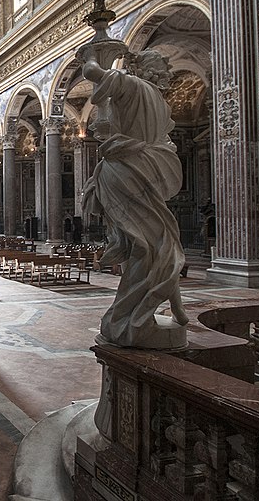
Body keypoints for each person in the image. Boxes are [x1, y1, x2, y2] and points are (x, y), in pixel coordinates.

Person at [81, 47, 188, 348]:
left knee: (153, 245)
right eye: (163, 70)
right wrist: (91, 56)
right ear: (150, 70)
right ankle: (134, 313)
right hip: (134, 169)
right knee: (154, 245)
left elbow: (91, 72)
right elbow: (93, 74)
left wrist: (90, 57)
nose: (166, 75)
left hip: (129, 167)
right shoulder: (142, 91)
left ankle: (144, 311)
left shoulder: (141, 90)